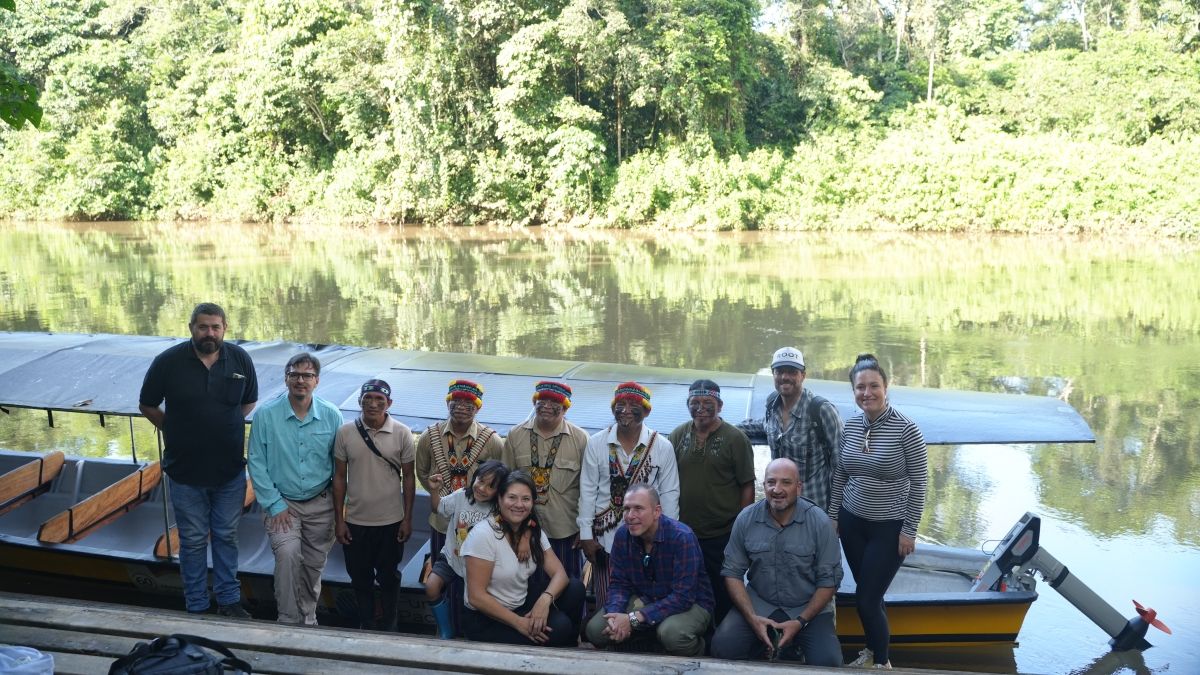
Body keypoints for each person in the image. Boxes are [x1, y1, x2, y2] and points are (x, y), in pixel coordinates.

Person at [138, 302, 258, 618]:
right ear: (192, 327)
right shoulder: (168, 361)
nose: (209, 333)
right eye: (203, 327)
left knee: (226, 536)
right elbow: (147, 404)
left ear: (225, 329)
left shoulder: (240, 359)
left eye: (215, 327)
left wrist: (220, 424)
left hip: (229, 471)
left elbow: (249, 401)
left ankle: (229, 602)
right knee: (191, 542)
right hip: (184, 471)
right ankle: (197, 605)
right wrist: (174, 427)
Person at [830, 353, 928, 670]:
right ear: (854, 391)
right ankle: (872, 650)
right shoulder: (852, 425)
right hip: (852, 523)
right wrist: (833, 516)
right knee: (869, 594)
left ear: (886, 387)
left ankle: (882, 663)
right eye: (860, 387)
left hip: (889, 527)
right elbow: (841, 474)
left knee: (867, 599)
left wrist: (909, 530)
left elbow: (920, 482)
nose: (867, 393)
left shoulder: (906, 430)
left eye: (874, 386)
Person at [711, 458, 843, 665]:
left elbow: (829, 582)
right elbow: (732, 573)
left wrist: (801, 622)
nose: (777, 489)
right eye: (771, 482)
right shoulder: (746, 519)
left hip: (806, 608)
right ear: (764, 486)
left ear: (799, 488)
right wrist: (752, 618)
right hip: (760, 604)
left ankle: (787, 644)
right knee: (723, 647)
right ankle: (764, 645)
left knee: (829, 662)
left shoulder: (820, 523)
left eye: (786, 482)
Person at [247, 352, 343, 625]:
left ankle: (308, 619)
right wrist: (274, 505)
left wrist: (340, 510)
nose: (301, 380)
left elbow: (339, 467)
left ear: (317, 381)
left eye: (307, 375)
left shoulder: (331, 415)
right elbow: (256, 462)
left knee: (313, 566)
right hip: (282, 504)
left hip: (320, 504)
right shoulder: (266, 415)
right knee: (288, 556)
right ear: (286, 378)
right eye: (295, 375)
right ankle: (287, 620)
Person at [578, 382, 679, 612]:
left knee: (647, 595)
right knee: (609, 597)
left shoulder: (662, 446)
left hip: (649, 535)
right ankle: (609, 637)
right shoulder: (596, 443)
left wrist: (667, 536)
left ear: (646, 411)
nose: (625, 410)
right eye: (620, 404)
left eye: (633, 405)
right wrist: (586, 534)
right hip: (606, 537)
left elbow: (670, 493)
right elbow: (587, 491)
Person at [584, 483, 713, 656]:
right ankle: (646, 637)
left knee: (671, 634)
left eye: (638, 509)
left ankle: (700, 652)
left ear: (657, 511)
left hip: (691, 602)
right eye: (627, 509)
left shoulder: (682, 537)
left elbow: (683, 597)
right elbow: (619, 584)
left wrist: (633, 619)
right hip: (647, 597)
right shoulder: (623, 535)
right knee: (596, 630)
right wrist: (616, 616)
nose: (630, 516)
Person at [462, 471, 586, 647]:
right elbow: (476, 597)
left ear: (532, 502)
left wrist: (544, 601)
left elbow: (560, 574)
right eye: (512, 497)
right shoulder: (483, 535)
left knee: (575, 589)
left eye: (526, 499)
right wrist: (520, 623)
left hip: (519, 600)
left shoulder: (532, 531)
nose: (519, 505)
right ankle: (558, 645)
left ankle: (568, 647)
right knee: (560, 628)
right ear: (499, 499)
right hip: (486, 618)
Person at [667, 379, 754, 625]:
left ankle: (724, 637)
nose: (701, 408)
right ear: (688, 405)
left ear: (720, 405)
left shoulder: (735, 438)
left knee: (723, 587)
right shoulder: (678, 435)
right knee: (686, 586)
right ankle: (692, 633)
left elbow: (747, 484)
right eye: (695, 402)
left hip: (722, 532)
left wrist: (742, 527)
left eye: (708, 402)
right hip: (684, 533)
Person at [332, 378, 416, 630]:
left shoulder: (402, 432)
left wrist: (407, 518)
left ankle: (390, 625)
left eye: (380, 399)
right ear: (360, 402)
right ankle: (366, 624)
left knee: (389, 577)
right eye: (368, 398)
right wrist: (340, 520)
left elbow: (409, 477)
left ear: (389, 403)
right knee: (360, 578)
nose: (373, 404)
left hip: (391, 522)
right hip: (355, 521)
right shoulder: (345, 432)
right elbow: (339, 476)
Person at [501, 381, 589, 580]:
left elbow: (589, 487)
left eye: (554, 402)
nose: (547, 406)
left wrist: (586, 528)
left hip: (564, 531)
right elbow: (504, 484)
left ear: (565, 408)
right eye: (542, 400)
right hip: (522, 530)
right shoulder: (516, 435)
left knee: (567, 588)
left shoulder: (581, 439)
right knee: (524, 587)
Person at [738, 346, 842, 513]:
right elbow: (763, 425)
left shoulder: (821, 410)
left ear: (803, 375)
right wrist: (725, 428)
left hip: (814, 509)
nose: (785, 377)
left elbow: (841, 466)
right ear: (773, 374)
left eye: (792, 372)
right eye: (779, 371)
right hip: (779, 507)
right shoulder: (772, 404)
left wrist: (835, 515)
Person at [424, 459, 510, 639]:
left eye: (490, 486)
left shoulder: (498, 510)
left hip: (476, 566)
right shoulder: (461, 495)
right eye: (480, 481)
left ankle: (470, 638)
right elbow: (437, 508)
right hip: (451, 556)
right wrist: (434, 490)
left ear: (499, 491)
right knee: (431, 587)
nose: (482, 488)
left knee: (471, 605)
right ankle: (445, 631)